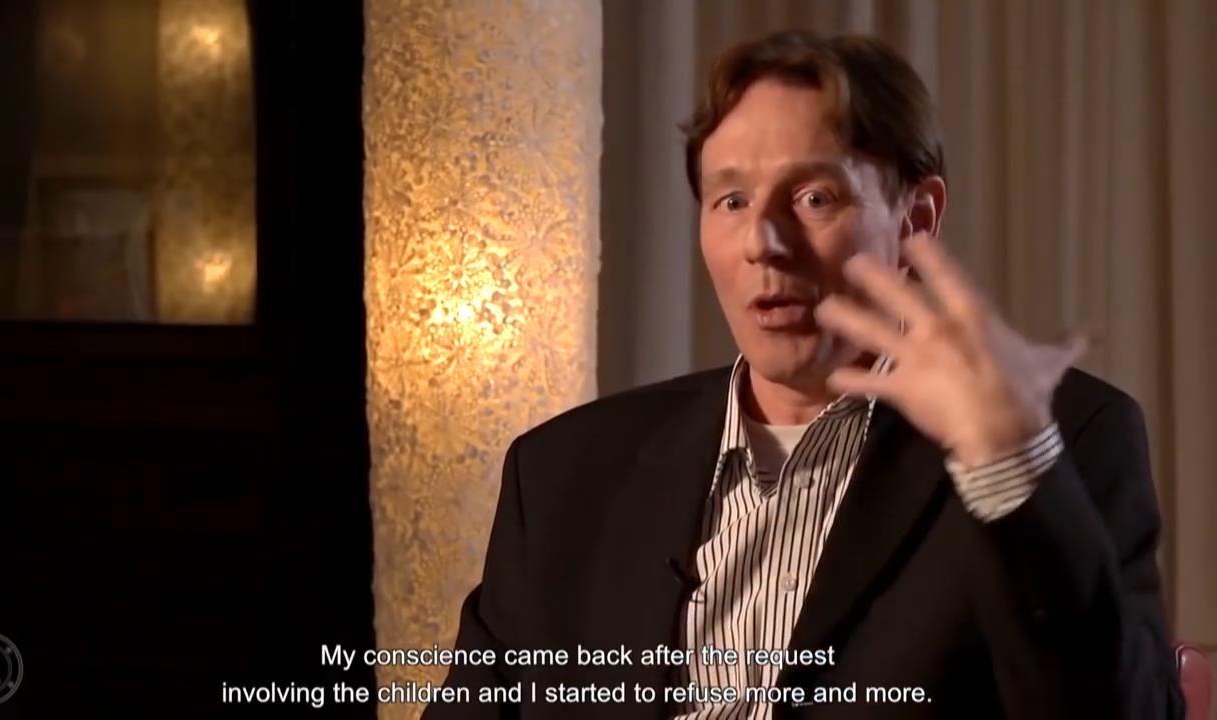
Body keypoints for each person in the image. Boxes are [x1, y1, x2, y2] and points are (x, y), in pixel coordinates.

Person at [425, 30, 1184, 719]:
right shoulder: (563, 473)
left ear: (916, 219)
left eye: (814, 197)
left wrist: (1010, 466)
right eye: (731, 200)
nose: (762, 241)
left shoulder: (1063, 440)